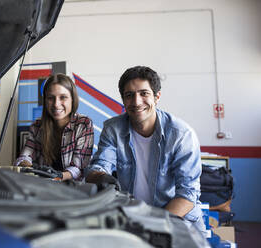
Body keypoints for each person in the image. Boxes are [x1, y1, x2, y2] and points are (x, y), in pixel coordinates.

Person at [86, 66, 205, 233]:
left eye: (144, 93)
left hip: (179, 222)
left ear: (157, 97)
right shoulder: (113, 129)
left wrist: (152, 226)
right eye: (129, 95)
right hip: (134, 218)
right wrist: (100, 176)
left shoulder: (181, 135)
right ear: (123, 99)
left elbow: (187, 196)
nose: (136, 102)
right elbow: (99, 166)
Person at [15, 73, 94, 181]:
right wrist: (27, 167)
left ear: (72, 99)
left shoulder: (84, 124)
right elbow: (24, 157)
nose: (56, 104)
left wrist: (55, 178)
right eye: (51, 98)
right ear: (45, 101)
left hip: (73, 190)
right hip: (41, 188)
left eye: (63, 97)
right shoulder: (37, 126)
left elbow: (79, 169)